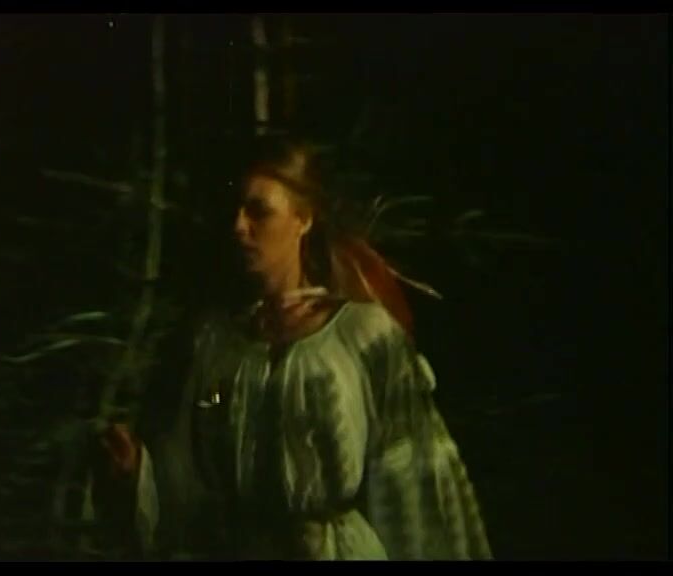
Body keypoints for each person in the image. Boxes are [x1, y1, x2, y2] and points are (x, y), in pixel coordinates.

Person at [91, 135, 493, 560]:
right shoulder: (216, 346)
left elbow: (413, 482)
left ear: (304, 218)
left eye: (259, 211)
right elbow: (188, 478)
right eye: (235, 210)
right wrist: (137, 475)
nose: (239, 226)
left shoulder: (363, 336)